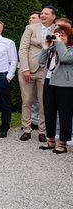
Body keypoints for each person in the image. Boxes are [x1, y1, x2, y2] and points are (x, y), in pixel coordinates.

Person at [18, 5, 57, 142]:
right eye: (42, 13)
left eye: (46, 13)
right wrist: (25, 69)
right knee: (27, 100)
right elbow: (23, 49)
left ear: (53, 16)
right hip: (27, 69)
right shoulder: (30, 28)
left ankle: (42, 131)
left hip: (46, 70)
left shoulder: (56, 30)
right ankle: (26, 130)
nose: (43, 15)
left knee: (43, 101)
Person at [38, 25, 73, 154]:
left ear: (69, 36)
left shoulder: (70, 49)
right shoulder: (54, 48)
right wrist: (46, 47)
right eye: (56, 34)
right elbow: (40, 61)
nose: (58, 37)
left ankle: (63, 142)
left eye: (62, 34)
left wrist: (58, 43)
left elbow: (64, 57)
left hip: (65, 85)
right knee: (49, 112)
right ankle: (51, 139)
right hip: (49, 82)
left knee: (65, 114)